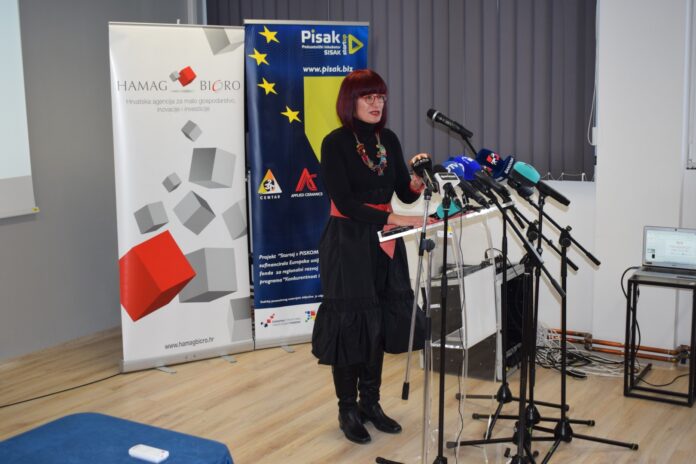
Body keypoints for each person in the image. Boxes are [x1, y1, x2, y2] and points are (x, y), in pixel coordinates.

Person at [311, 69, 433, 444]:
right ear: (351, 101)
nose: (377, 103)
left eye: (380, 97)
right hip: (348, 241)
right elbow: (344, 201)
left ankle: (371, 403)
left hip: (384, 239)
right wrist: (392, 218)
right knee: (352, 325)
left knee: (377, 321)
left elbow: (403, 192)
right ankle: (347, 409)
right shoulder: (335, 143)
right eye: (369, 97)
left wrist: (416, 182)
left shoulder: (387, 140)